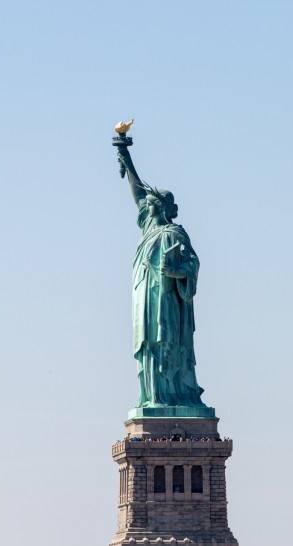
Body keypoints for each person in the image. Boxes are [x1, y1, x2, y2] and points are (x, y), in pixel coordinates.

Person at [117, 146, 206, 408]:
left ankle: (174, 395)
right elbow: (138, 194)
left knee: (165, 342)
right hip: (145, 299)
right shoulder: (148, 228)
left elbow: (193, 264)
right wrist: (125, 156)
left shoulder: (175, 233)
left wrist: (177, 272)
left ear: (165, 207)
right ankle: (153, 396)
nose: (148, 204)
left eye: (154, 202)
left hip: (168, 302)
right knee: (148, 344)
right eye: (149, 202)